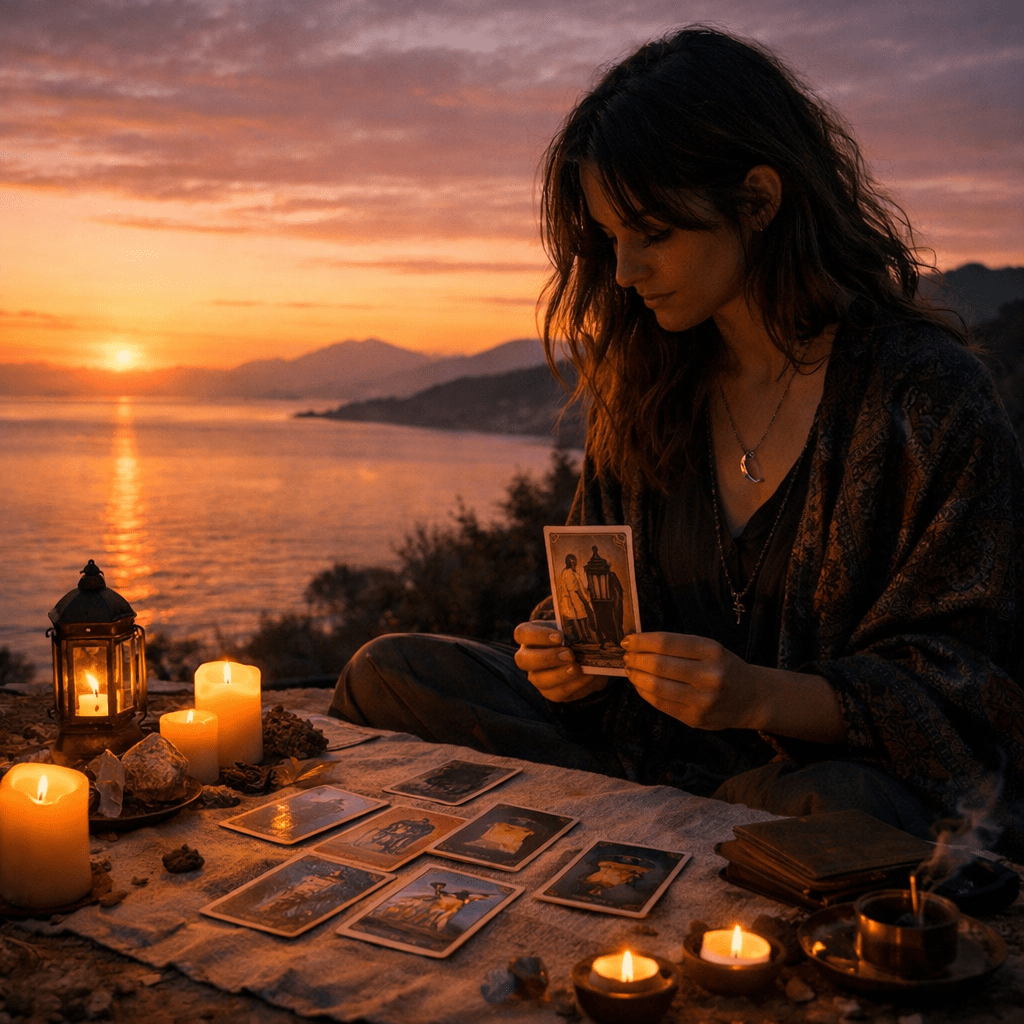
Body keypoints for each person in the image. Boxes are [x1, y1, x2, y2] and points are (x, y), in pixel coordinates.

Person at [332, 26, 1024, 856]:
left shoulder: (927, 397)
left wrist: (757, 696)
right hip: (632, 760)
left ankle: (663, 835)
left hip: (811, 782)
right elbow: (603, 606)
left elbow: (971, 689)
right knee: (390, 672)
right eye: (609, 239)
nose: (625, 271)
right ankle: (651, 828)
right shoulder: (649, 385)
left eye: (653, 233)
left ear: (758, 201)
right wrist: (569, 658)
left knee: (845, 806)